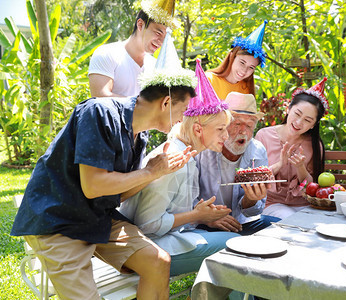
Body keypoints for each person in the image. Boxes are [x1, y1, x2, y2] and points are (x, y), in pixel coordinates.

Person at [10, 27, 197, 300]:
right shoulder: (99, 112)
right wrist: (149, 171)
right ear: (166, 102)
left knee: (159, 261)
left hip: (98, 219)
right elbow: (94, 186)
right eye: (183, 111)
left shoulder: (139, 135)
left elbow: (117, 193)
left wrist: (157, 173)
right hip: (59, 222)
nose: (183, 120)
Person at [119, 59, 239, 276]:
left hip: (161, 240)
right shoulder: (174, 159)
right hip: (147, 250)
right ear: (198, 129)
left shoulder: (187, 155)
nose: (227, 136)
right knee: (237, 247)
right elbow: (148, 225)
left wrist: (206, 216)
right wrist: (196, 216)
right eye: (221, 128)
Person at [195, 92, 280, 235]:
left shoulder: (257, 151)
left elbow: (253, 211)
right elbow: (185, 201)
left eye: (249, 125)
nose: (243, 131)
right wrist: (208, 219)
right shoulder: (204, 149)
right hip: (201, 223)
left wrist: (251, 199)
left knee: (278, 227)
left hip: (238, 223)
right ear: (223, 124)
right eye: (237, 123)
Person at [255, 78, 328, 219]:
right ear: (289, 109)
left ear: (314, 124)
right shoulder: (264, 135)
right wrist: (280, 164)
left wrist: (301, 167)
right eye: (297, 114)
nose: (299, 122)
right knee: (291, 219)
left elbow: (310, 188)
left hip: (303, 204)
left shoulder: (314, 144)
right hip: (271, 204)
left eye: (307, 120)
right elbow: (255, 178)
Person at [88, 0, 177, 97]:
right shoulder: (107, 54)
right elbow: (100, 96)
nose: (161, 41)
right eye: (158, 33)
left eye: (165, 37)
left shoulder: (156, 67)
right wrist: (144, 105)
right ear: (140, 25)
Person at [206, 20, 267, 100]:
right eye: (242, 62)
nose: (244, 70)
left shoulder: (246, 90)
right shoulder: (209, 80)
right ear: (232, 56)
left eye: (251, 67)